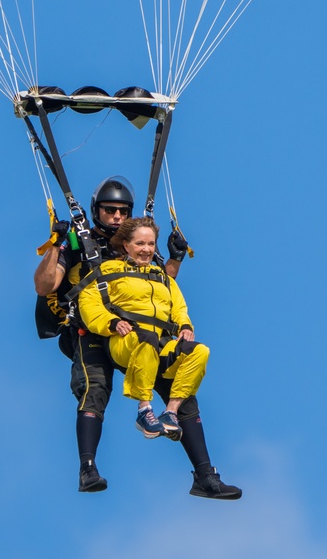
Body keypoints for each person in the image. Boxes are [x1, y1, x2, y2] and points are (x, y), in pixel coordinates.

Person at [33, 178, 239, 499]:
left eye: (122, 211)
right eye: (109, 210)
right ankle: (88, 469)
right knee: (95, 390)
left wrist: (174, 259)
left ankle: (205, 476)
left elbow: (157, 291)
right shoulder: (76, 242)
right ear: (96, 210)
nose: (116, 216)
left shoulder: (137, 245)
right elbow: (45, 286)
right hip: (93, 330)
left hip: (140, 333)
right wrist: (58, 244)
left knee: (182, 393)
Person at [78, 216, 241, 500]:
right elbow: (88, 305)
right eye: (139, 243)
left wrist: (186, 327)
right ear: (125, 245)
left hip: (160, 343)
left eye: (150, 244)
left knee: (199, 351)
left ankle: (171, 413)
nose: (145, 249)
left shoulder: (161, 275)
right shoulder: (107, 270)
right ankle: (144, 411)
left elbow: (178, 306)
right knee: (146, 341)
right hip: (124, 342)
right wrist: (111, 323)